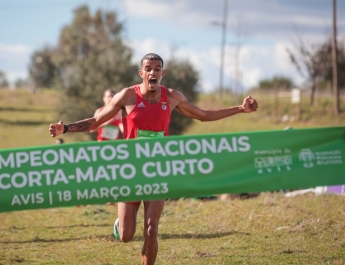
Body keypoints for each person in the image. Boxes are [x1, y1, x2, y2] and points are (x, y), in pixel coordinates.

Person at [49, 53, 258, 265]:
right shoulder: (127, 96)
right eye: (148, 68)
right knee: (126, 236)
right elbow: (95, 122)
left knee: (151, 228)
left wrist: (240, 109)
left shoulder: (173, 96)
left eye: (157, 69)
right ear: (141, 73)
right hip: (130, 170)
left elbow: (202, 115)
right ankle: (120, 222)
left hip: (158, 170)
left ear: (162, 73)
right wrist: (65, 128)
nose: (152, 72)